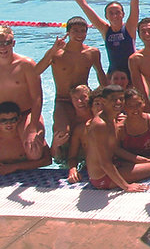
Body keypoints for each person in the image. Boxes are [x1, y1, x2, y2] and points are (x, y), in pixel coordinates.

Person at [55, 0, 144, 79]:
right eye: (111, 13)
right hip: (112, 75)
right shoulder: (105, 29)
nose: (115, 16)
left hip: (133, 76)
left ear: (123, 14)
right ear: (106, 16)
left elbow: (135, 0)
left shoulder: (129, 27)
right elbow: (84, 5)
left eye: (117, 12)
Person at [35, 16, 106, 152]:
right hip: (63, 100)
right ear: (67, 32)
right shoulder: (56, 53)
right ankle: (60, 159)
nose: (79, 35)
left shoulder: (92, 52)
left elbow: (101, 75)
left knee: (93, 130)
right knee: (62, 133)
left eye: (82, 31)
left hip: (84, 101)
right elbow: (36, 71)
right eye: (75, 31)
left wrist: (105, 98)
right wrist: (51, 51)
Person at [82, 86, 150, 191]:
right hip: (102, 178)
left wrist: (142, 160)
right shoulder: (100, 125)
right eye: (114, 99)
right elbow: (104, 163)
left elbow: (114, 149)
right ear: (103, 101)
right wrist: (126, 186)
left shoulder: (111, 118)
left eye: (121, 99)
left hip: (113, 166)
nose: (118, 102)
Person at [0, 25, 45, 162]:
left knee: (34, 152)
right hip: (2, 116)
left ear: (13, 43)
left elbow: (37, 98)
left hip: (25, 113)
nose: (2, 48)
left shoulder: (26, 65)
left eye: (6, 43)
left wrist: (32, 128)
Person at [0, 100, 52, 176]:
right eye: (3, 120)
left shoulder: (26, 137)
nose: (9, 124)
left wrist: (14, 167)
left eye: (13, 120)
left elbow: (47, 160)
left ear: (19, 118)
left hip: (29, 176)